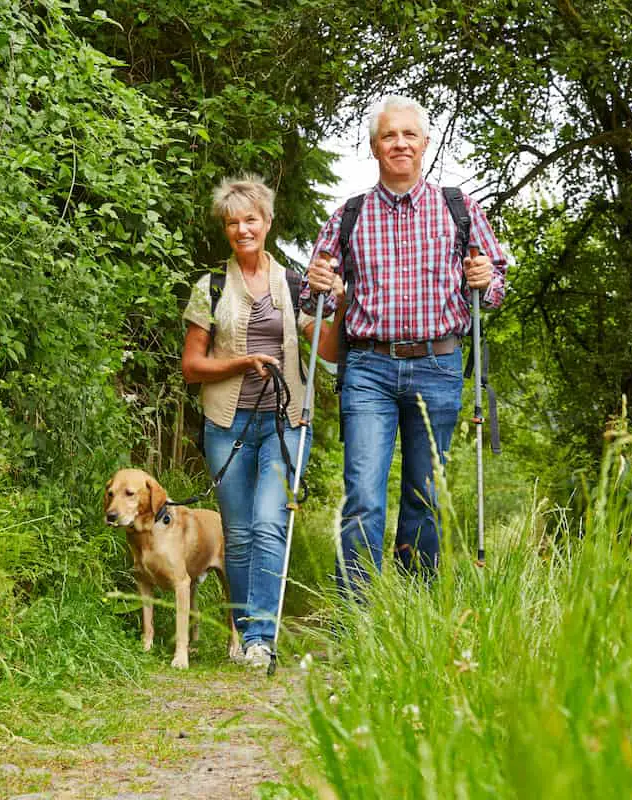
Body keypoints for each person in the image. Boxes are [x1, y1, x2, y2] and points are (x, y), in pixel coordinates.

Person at [303, 95, 508, 595]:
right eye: (389, 136)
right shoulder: (348, 216)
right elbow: (317, 302)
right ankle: (358, 615)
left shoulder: (459, 209)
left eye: (408, 135)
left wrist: (485, 278)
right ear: (375, 147)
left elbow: (496, 285)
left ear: (424, 144)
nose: (399, 143)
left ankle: (412, 614)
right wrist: (317, 283)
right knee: (364, 498)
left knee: (424, 495)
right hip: (369, 370)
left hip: (438, 365)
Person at [182, 175, 342, 666]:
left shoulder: (296, 285)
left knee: (270, 523)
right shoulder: (209, 288)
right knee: (241, 531)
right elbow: (192, 367)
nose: (242, 229)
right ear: (226, 230)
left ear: (268, 222)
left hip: (286, 420)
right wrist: (239, 362)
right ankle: (247, 633)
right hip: (226, 424)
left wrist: (337, 301)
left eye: (251, 219)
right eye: (233, 222)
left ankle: (259, 641)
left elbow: (330, 352)